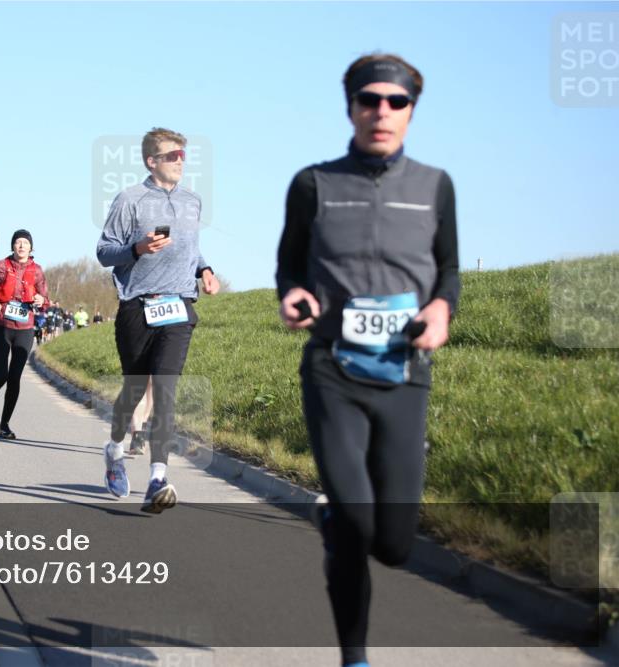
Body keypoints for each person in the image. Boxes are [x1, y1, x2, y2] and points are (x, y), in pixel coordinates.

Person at [276, 54, 460, 667]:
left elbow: (449, 270)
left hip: (404, 371)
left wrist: (440, 312)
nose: (382, 111)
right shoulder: (313, 184)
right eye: (370, 99)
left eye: (396, 102)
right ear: (350, 105)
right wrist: (293, 296)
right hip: (333, 366)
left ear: (411, 110)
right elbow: (290, 265)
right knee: (356, 527)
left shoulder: (435, 186)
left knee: (397, 545)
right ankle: (354, 656)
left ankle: (336, 524)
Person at [96, 127, 220, 513]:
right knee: (134, 391)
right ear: (152, 161)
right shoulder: (129, 199)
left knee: (164, 388)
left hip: (178, 306)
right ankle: (114, 451)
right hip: (137, 306)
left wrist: (206, 270)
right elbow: (104, 252)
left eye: (184, 155)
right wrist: (138, 247)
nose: (181, 162)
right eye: (172, 156)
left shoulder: (192, 201)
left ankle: (157, 480)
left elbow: (191, 247)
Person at [0, 229, 49, 439]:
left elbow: (46, 300)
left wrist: (41, 301)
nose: (21, 246)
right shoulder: (1, 267)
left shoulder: (37, 271)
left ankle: (4, 425)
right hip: (1, 327)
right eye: (18, 243)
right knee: (1, 375)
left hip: (24, 330)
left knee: (15, 378)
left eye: (25, 243)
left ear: (31, 248)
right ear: (13, 246)